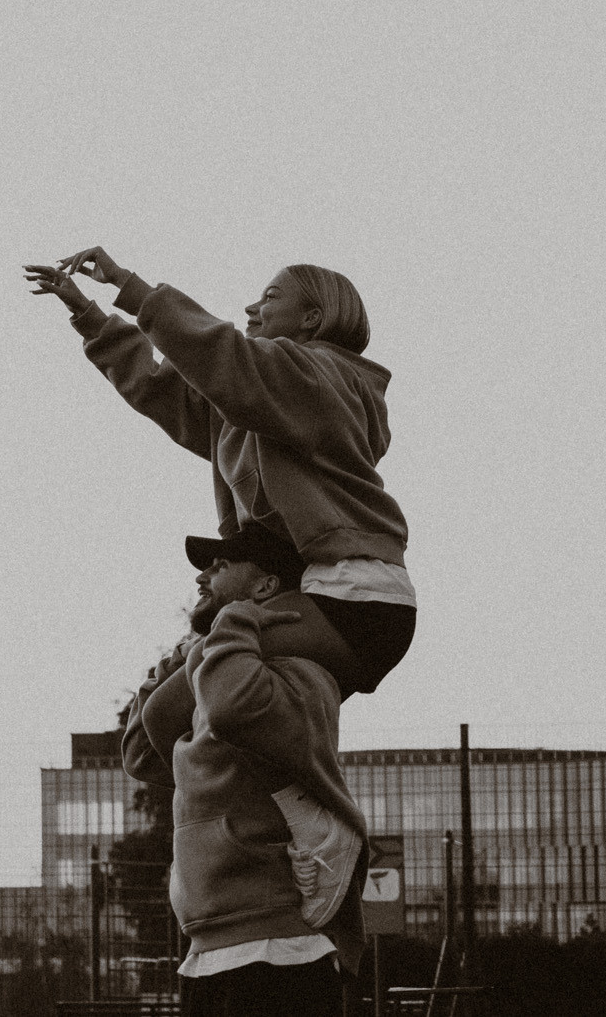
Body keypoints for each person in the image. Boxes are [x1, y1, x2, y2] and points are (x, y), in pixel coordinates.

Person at [24, 249, 415, 698]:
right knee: (172, 714)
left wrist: (128, 286)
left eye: (270, 297)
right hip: (314, 590)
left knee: (200, 686)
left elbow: (223, 356)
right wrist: (88, 315)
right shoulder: (255, 402)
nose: (252, 308)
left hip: (358, 597)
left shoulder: (323, 380)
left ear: (311, 318)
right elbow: (163, 388)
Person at [123, 525, 367, 1017]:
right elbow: (143, 754)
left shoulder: (299, 674)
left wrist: (230, 624)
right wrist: (182, 655)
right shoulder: (216, 680)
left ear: (265, 588)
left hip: (277, 951)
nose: (203, 575)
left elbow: (233, 707)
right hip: (210, 952)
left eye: (222, 565)